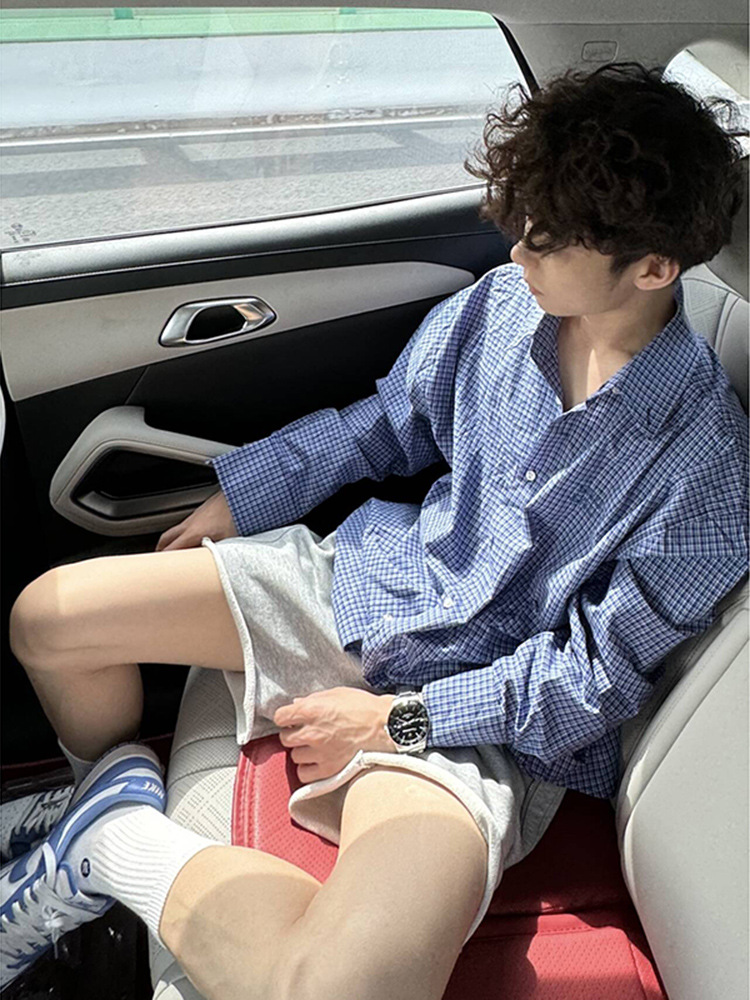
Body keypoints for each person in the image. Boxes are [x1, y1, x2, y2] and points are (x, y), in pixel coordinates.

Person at [2, 61, 748, 1000]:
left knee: (342, 988)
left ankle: (112, 846)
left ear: (653, 267)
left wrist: (401, 721)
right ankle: (95, 805)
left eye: (548, 239)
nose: (517, 250)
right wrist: (243, 496)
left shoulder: (706, 470)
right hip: (379, 582)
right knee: (49, 619)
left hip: (481, 715)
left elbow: (589, 681)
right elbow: (387, 423)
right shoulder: (501, 306)